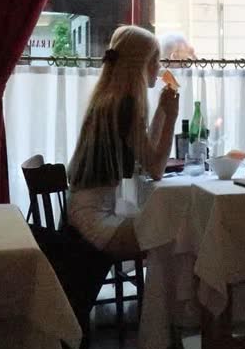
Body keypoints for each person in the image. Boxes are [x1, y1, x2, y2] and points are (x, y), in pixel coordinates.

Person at [69, 25, 179, 258]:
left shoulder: (110, 99)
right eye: (155, 61)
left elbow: (146, 153)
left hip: (83, 210)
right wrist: (172, 117)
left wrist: (161, 110)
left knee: (175, 229)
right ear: (141, 65)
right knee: (179, 235)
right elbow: (156, 169)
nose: (159, 68)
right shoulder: (125, 106)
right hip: (97, 221)